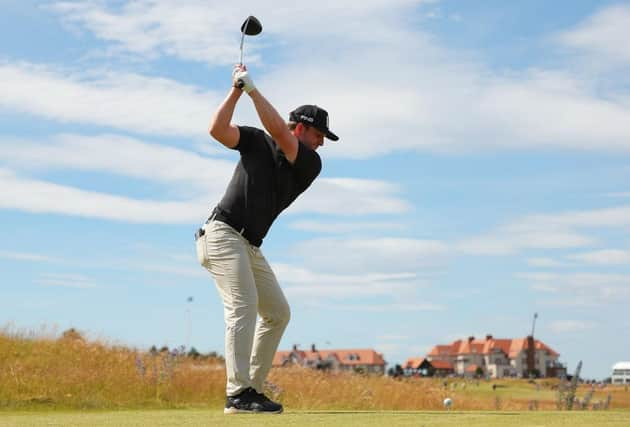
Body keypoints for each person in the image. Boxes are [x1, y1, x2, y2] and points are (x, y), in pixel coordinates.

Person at [195, 64, 339, 414]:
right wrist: (237, 91)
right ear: (303, 128)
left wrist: (252, 90)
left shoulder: (309, 163)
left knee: (277, 312)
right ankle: (237, 394)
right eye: (319, 134)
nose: (322, 143)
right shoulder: (256, 141)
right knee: (243, 306)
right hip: (222, 234)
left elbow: (280, 133)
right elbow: (216, 130)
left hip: (249, 245)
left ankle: (252, 390)